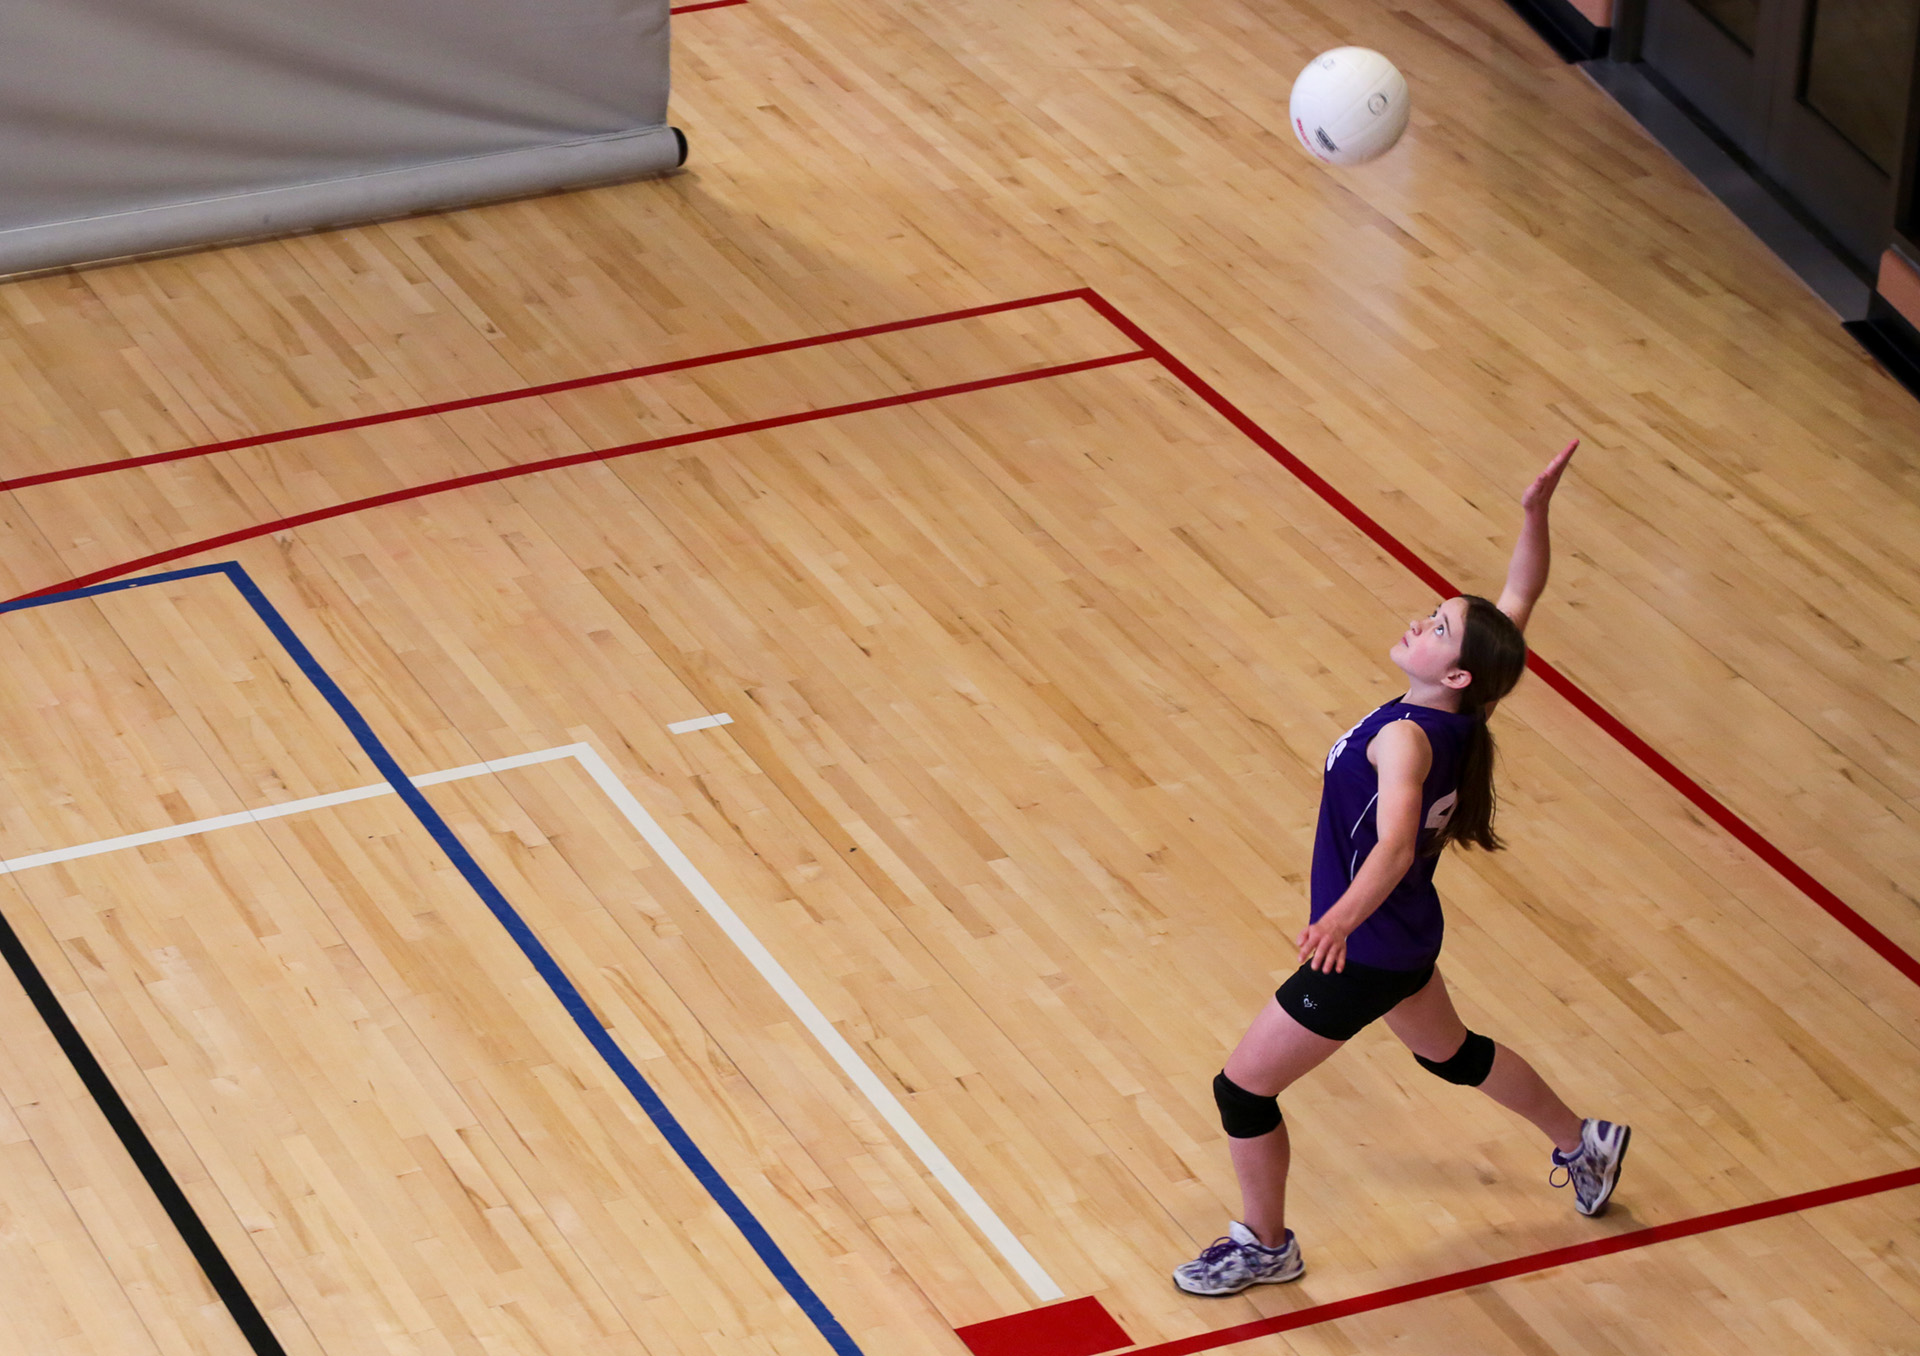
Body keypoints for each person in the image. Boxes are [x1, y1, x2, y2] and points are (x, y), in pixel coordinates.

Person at [1173, 440, 1629, 1297]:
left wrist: (1339, 920)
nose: (1422, 622)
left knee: (1241, 1090)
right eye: (1433, 611)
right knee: (1451, 1055)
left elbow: (1389, 846)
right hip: (1408, 933)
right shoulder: (1467, 702)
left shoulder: (1407, 741)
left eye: (1438, 627)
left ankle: (1267, 1245)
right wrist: (1532, 516)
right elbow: (1520, 597)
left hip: (1369, 947)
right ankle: (1582, 1141)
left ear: (1452, 670)